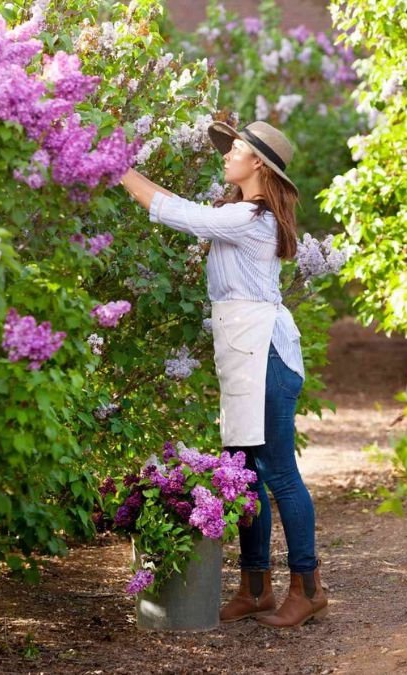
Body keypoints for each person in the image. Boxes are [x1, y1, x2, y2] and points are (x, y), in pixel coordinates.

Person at [118, 120, 328, 628]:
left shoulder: (252, 219)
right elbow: (178, 203)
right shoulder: (239, 213)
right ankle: (255, 587)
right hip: (244, 354)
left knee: (277, 472)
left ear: (258, 163)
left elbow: (172, 211)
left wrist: (117, 168)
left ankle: (309, 586)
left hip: (266, 357)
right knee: (245, 472)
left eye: (234, 149)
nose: (226, 155)